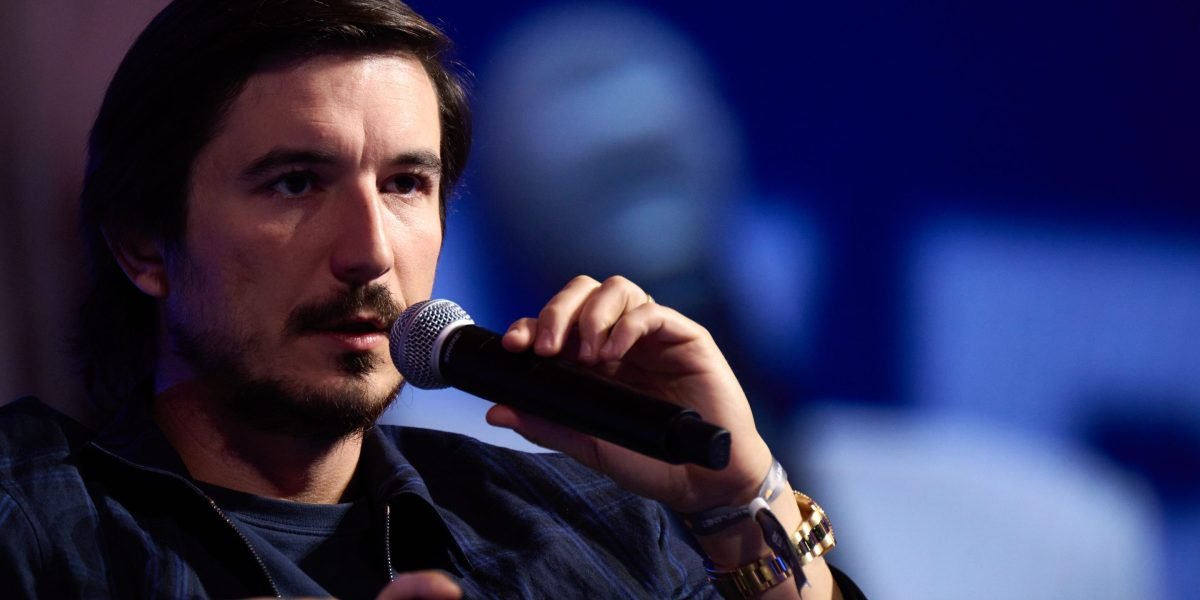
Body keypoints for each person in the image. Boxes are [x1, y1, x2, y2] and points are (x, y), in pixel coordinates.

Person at [0, 1, 864, 598]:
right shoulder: (28, 519)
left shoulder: (585, 529)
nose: (370, 252)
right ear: (144, 244)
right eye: (295, 183)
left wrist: (733, 503)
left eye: (406, 184)